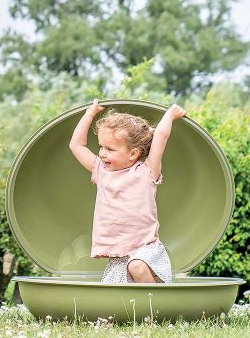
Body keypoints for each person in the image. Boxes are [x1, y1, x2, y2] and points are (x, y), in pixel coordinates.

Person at [68, 100, 187, 283]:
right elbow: (76, 145)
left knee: (137, 266)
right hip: (118, 257)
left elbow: (161, 137)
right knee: (117, 303)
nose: (102, 153)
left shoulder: (146, 172)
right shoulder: (100, 171)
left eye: (109, 149)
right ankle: (144, 311)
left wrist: (170, 115)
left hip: (144, 249)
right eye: (101, 146)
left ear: (133, 153)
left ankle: (156, 308)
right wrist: (89, 114)